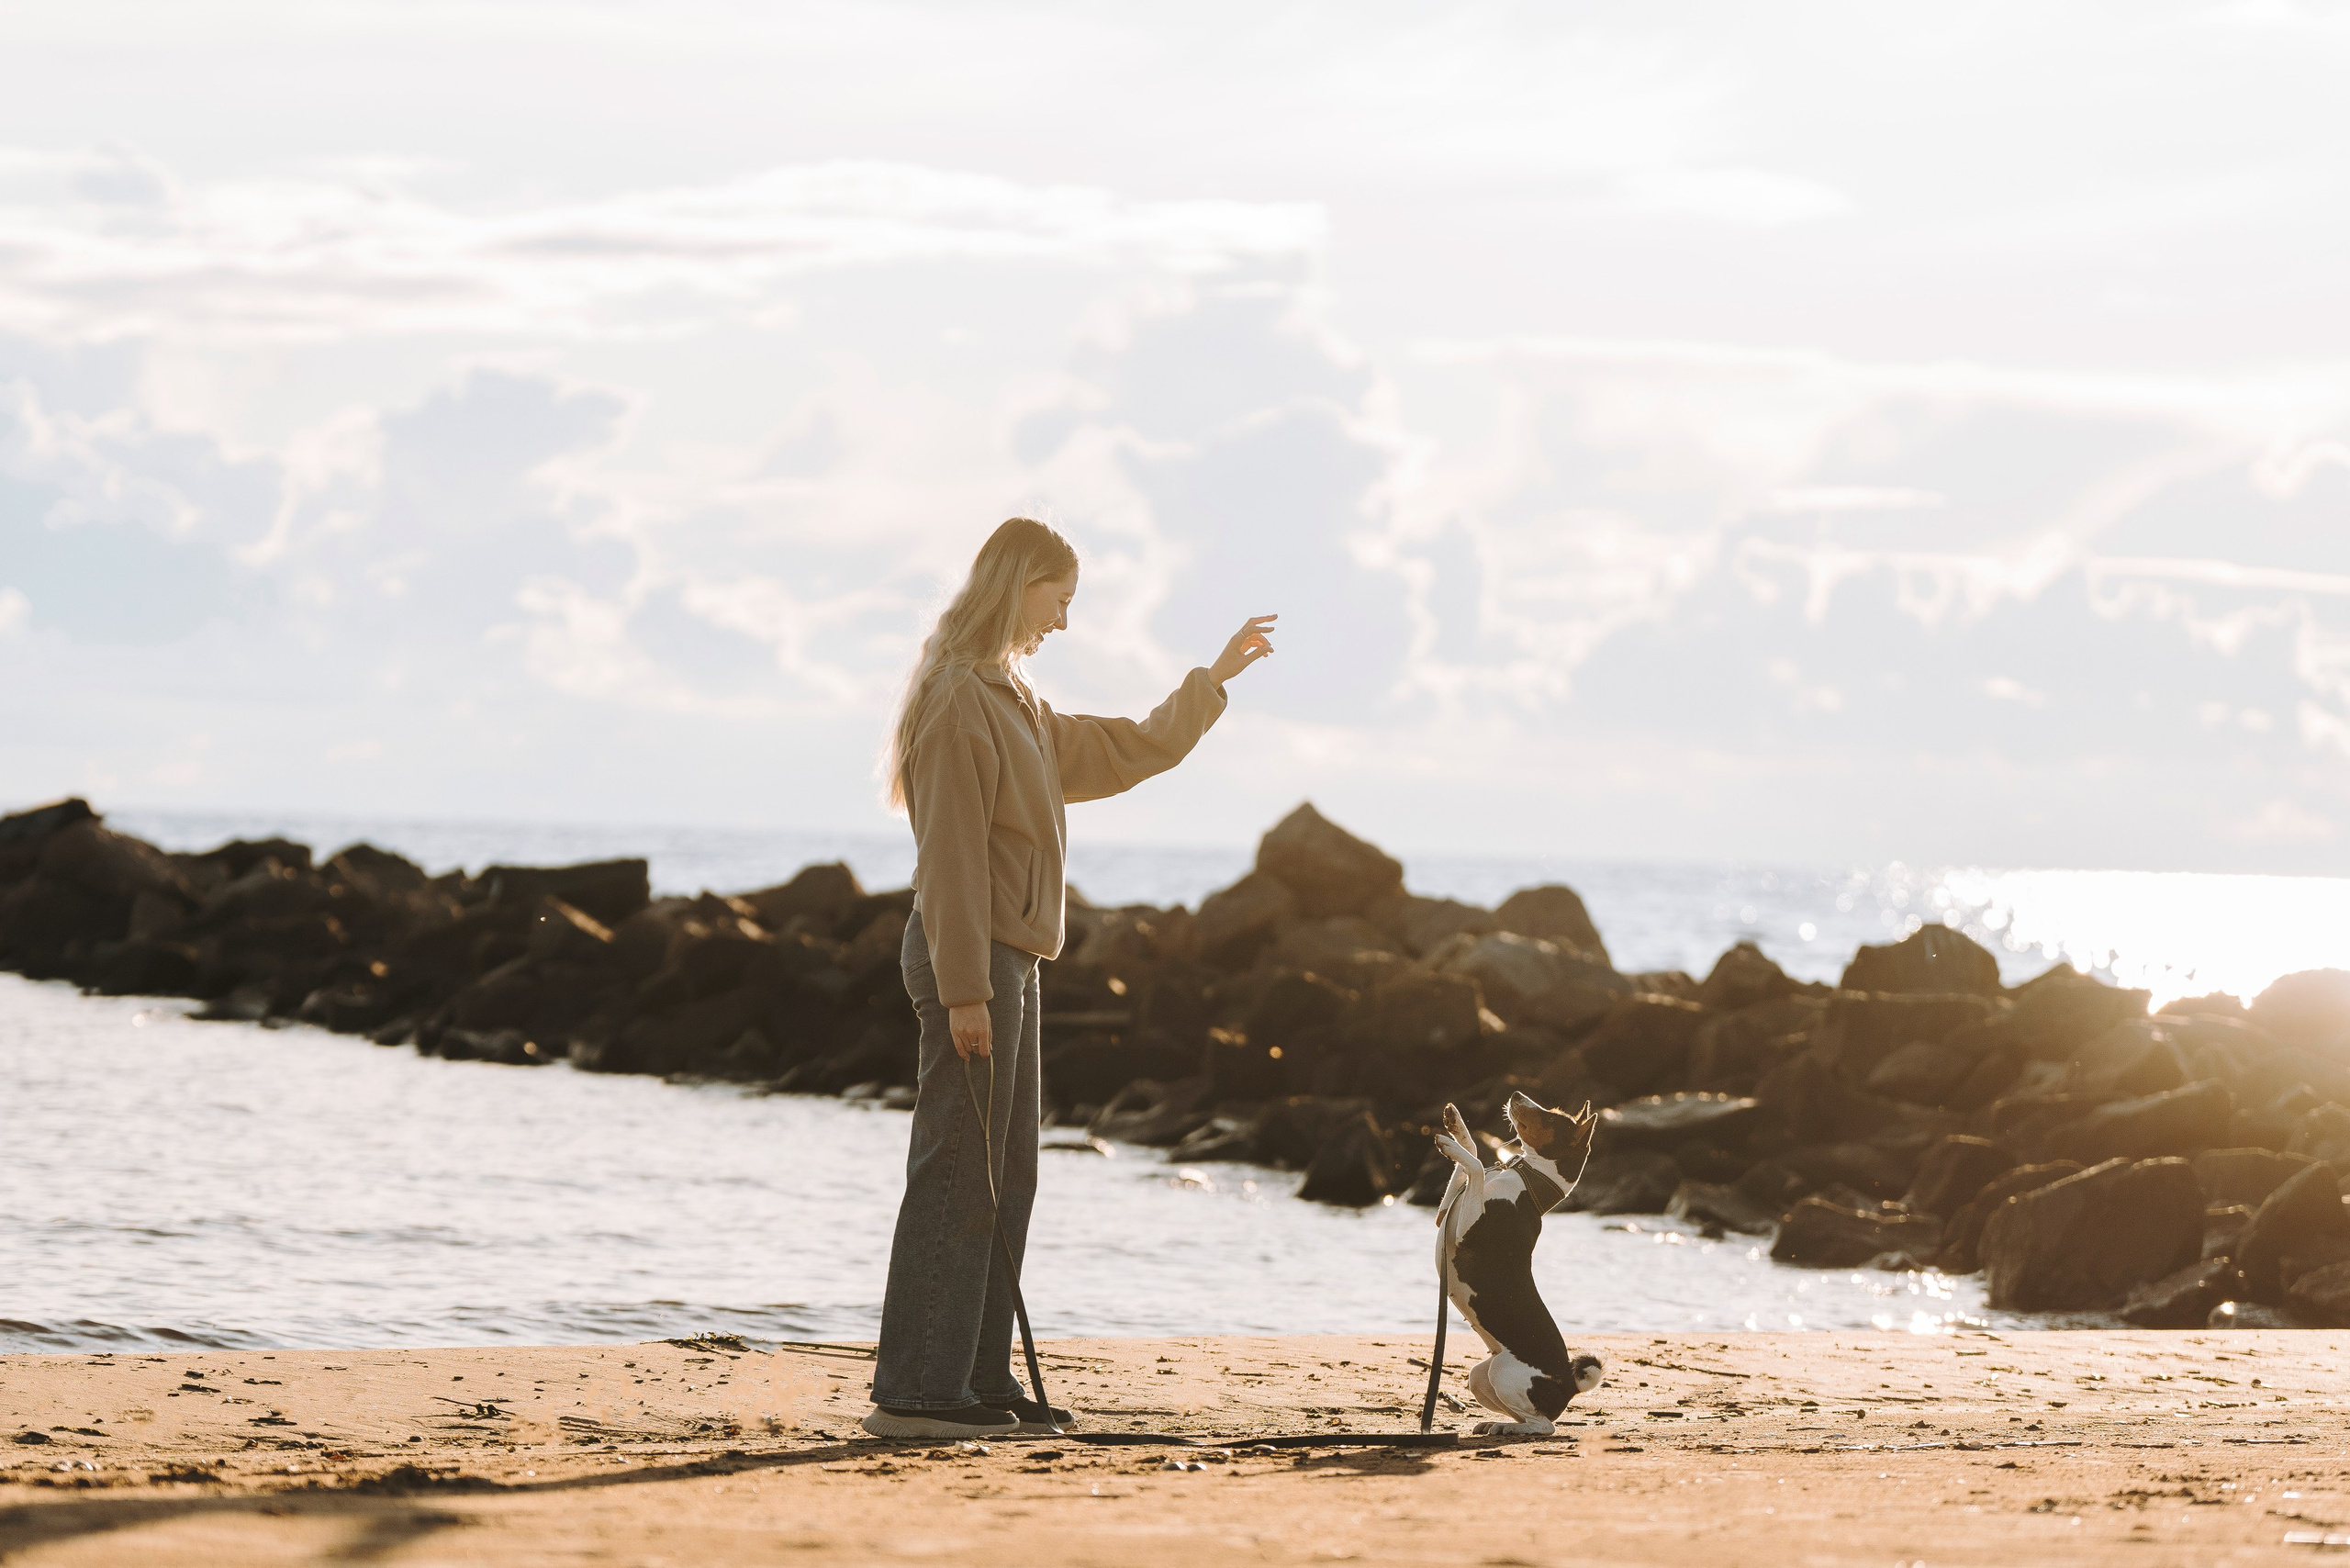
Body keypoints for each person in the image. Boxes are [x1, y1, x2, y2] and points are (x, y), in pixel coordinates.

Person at [863, 517, 1275, 1439]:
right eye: (1060, 600)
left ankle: (974, 1376)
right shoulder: (957, 699)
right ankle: (916, 1392)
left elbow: (1128, 749)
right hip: (974, 959)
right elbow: (951, 857)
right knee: (957, 1172)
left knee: (1006, 1176)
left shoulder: (1018, 702)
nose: (1063, 621)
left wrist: (1212, 680)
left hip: (1011, 960)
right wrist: (965, 990)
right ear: (1019, 585)